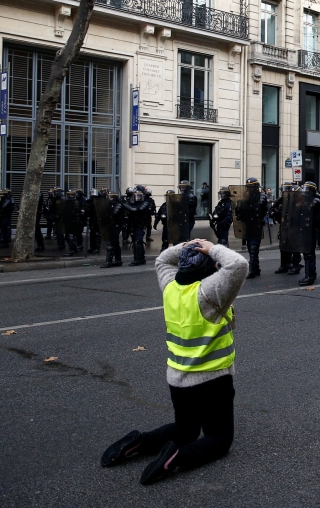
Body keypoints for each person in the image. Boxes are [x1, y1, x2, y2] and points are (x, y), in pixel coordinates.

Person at [100, 238, 248, 485]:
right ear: (209, 267)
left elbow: (161, 260)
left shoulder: (170, 287)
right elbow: (239, 265)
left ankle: (139, 442)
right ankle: (177, 458)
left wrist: (185, 247)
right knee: (220, 438)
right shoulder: (209, 292)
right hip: (212, 378)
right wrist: (212, 248)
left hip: (177, 377)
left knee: (186, 429)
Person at [272, 182, 302, 275]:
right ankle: (284, 264)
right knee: (283, 246)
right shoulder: (283, 201)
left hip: (295, 226)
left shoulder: (296, 201)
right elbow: (274, 209)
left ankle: (295, 265)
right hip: (284, 226)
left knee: (294, 247)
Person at [124, 189, 151, 266]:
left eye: (139, 196)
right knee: (136, 242)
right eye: (136, 196)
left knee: (138, 242)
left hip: (140, 225)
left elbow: (136, 210)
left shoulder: (145, 203)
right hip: (132, 225)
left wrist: (125, 205)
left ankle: (137, 259)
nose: (138, 198)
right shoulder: (133, 203)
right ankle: (141, 258)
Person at [101, 191, 125, 268]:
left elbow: (113, 213)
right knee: (115, 243)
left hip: (116, 226)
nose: (109, 198)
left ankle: (109, 261)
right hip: (110, 226)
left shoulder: (118, 205)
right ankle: (118, 260)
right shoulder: (109, 205)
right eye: (108, 197)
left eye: (111, 197)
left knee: (110, 244)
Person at [85, 189, 102, 255]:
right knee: (92, 234)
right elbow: (87, 210)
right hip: (92, 219)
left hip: (98, 220)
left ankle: (97, 248)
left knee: (97, 234)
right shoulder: (89, 202)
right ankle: (92, 247)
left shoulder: (100, 202)